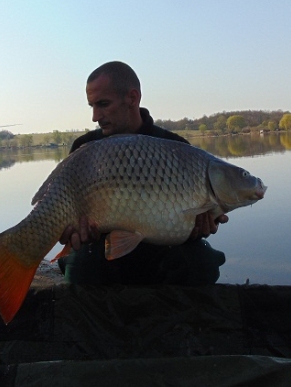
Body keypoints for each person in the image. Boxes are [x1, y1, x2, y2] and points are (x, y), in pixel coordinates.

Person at [58, 61, 227, 285]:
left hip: (161, 251)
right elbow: (70, 219)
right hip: (103, 250)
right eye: (92, 106)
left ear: (132, 97)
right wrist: (76, 232)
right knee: (81, 267)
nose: (95, 116)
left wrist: (200, 229)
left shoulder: (176, 147)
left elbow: (191, 223)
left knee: (202, 263)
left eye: (103, 104)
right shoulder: (85, 147)